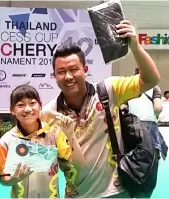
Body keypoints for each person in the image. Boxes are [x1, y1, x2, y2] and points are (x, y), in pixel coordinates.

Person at [42, 20, 160, 198]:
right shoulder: (49, 113)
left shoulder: (109, 90)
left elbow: (151, 80)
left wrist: (135, 47)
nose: (68, 76)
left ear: (85, 69)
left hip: (116, 192)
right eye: (61, 72)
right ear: (54, 76)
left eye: (74, 69)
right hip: (76, 194)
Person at [0, 84, 84, 198]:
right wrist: (14, 179)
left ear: (40, 105)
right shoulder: (5, 142)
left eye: (32, 103)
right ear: (12, 110)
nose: (27, 109)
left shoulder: (54, 133)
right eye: (20, 105)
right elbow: (4, 179)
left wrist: (70, 134)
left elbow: (78, 164)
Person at [126, 67, 167, 161]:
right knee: (151, 158)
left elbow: (123, 107)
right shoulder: (154, 88)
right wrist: (156, 116)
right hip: (149, 126)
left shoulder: (128, 87)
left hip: (131, 125)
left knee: (132, 157)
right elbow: (158, 108)